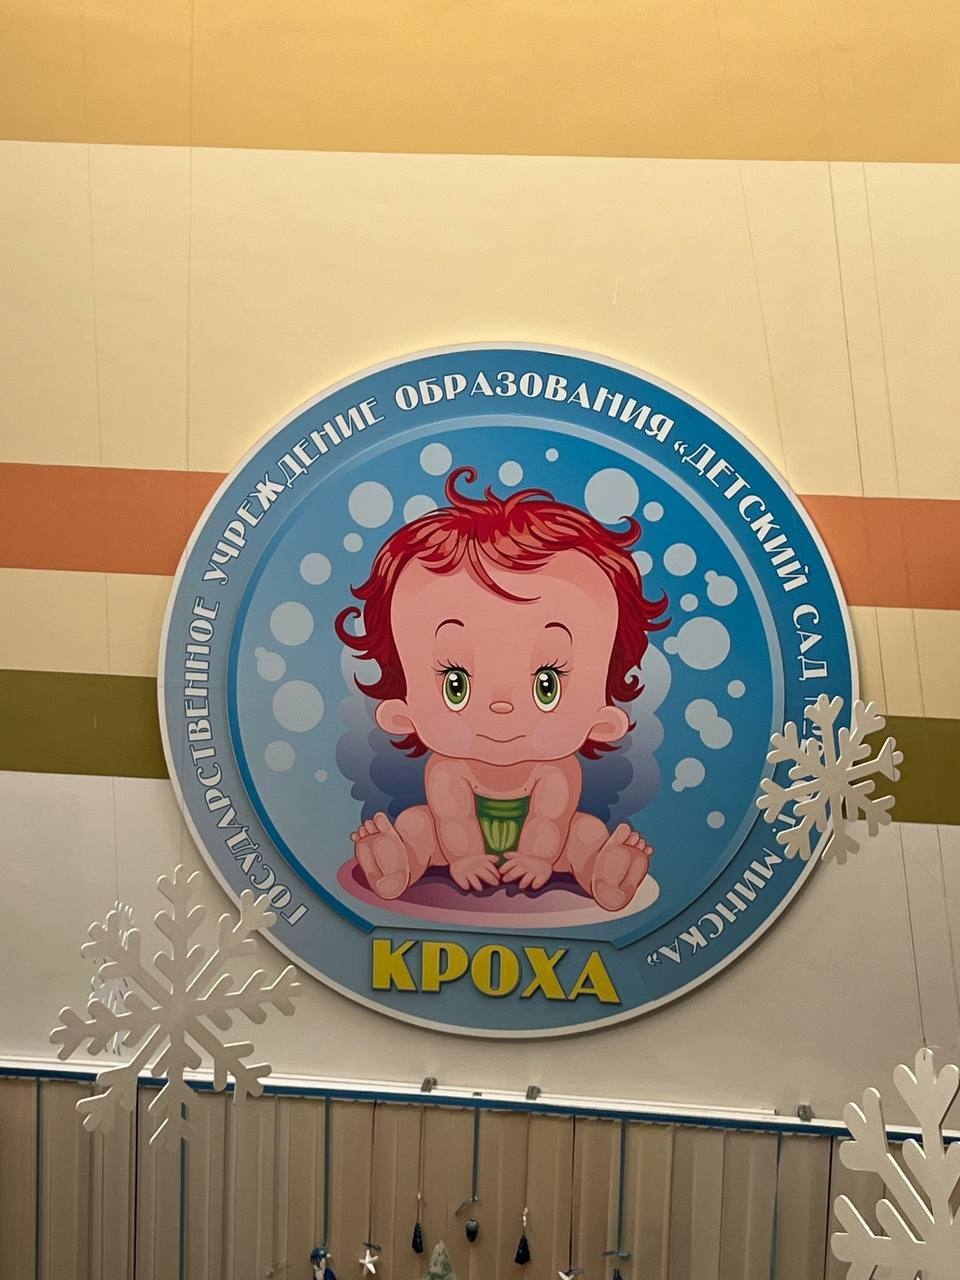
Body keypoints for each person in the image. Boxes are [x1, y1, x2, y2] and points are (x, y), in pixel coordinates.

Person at [336, 466, 668, 912]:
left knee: (584, 833)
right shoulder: (446, 768)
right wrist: (465, 857)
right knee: (419, 825)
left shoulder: (558, 770)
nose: (501, 706)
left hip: (552, 846)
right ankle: (396, 863)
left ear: (603, 719)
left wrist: (537, 858)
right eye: (456, 684)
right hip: (450, 843)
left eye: (547, 685)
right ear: (402, 712)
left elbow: (550, 818)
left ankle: (605, 872)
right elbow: (453, 816)